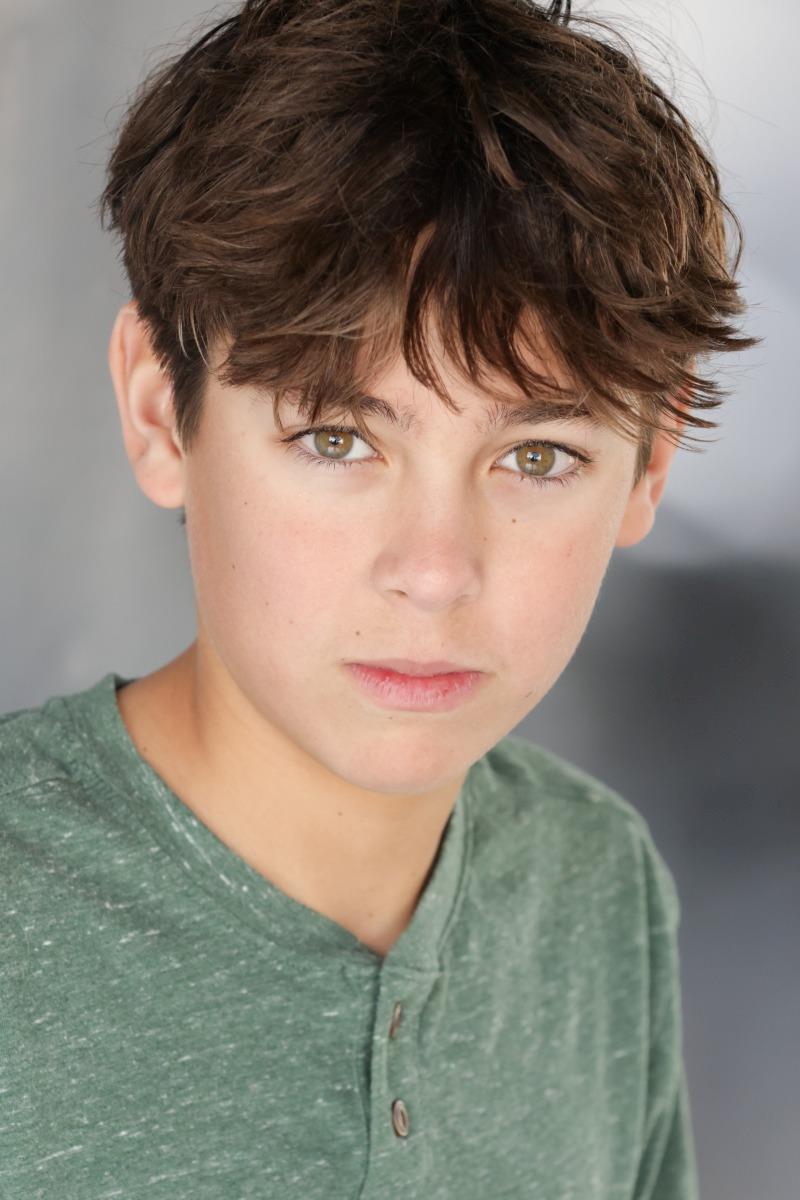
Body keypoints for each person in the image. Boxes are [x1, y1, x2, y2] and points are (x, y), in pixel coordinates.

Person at [0, 1, 758, 1195]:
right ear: (158, 411)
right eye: (336, 440)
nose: (435, 570)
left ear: (648, 465)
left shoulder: (594, 887)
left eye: (536, 457)